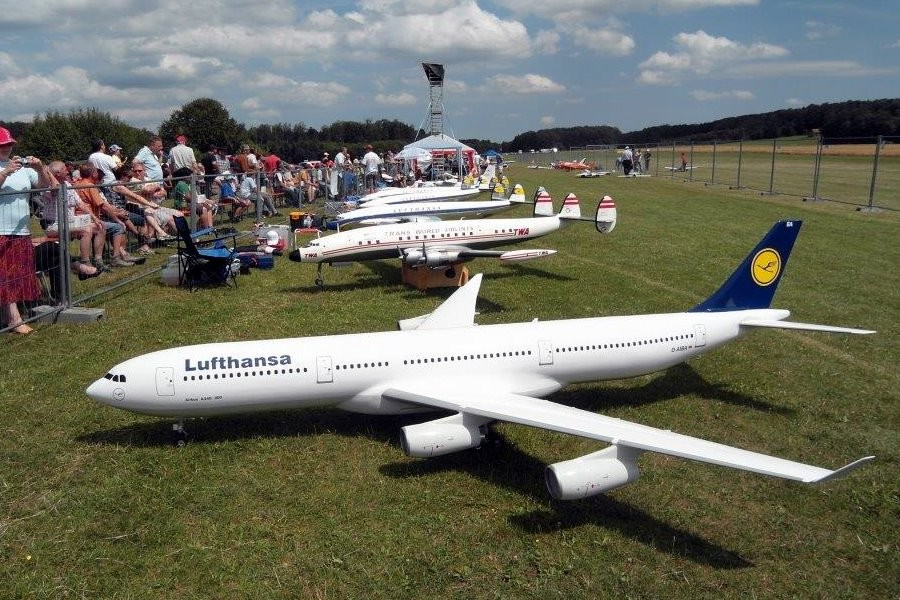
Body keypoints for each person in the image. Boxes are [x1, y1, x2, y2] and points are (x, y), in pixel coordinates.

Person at [0, 128, 52, 334]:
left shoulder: (23, 168)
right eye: (2, 145)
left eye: (9, 144)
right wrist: (5, 172)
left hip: (21, 229)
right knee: (5, 274)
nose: (7, 148)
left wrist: (40, 169)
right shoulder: (8, 168)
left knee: (17, 274)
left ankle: (9, 316)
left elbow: (44, 186)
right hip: (1, 229)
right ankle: (14, 319)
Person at [43, 161, 105, 275]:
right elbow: (55, 188)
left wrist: (95, 218)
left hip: (70, 222)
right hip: (54, 225)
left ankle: (98, 260)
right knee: (86, 230)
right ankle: (85, 264)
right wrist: (49, 173)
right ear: (57, 173)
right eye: (64, 169)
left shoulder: (67, 184)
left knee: (100, 226)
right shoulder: (47, 187)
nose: (68, 171)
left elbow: (80, 203)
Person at [74, 163, 140, 268]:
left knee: (110, 225)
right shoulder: (90, 186)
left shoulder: (76, 184)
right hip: (89, 220)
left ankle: (120, 255)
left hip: (78, 218)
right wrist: (118, 220)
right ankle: (113, 258)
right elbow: (103, 206)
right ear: (93, 174)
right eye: (95, 171)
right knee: (118, 227)